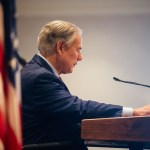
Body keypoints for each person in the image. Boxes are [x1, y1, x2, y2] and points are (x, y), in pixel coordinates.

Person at [21, 20, 150, 150]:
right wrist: (134, 112)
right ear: (60, 47)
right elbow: (78, 108)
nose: (80, 57)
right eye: (78, 50)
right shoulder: (40, 77)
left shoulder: (35, 71)